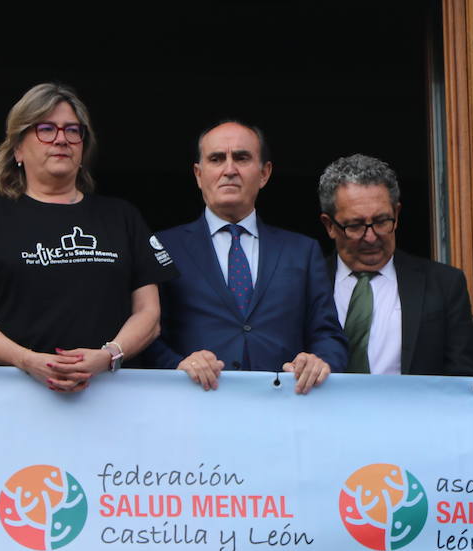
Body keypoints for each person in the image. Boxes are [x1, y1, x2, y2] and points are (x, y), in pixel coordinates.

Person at [0, 82, 177, 393]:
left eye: (72, 130)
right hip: (13, 396)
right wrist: (28, 361)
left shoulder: (122, 217)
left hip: (111, 398)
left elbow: (149, 313)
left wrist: (108, 356)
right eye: (46, 129)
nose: (61, 139)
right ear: (18, 149)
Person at [148, 120, 346, 393]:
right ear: (198, 174)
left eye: (241, 158)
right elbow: (147, 335)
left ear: (264, 173)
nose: (229, 170)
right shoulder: (163, 247)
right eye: (217, 159)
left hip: (285, 408)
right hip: (195, 408)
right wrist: (178, 365)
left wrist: (319, 362)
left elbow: (328, 337)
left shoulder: (302, 251)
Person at [318, 154, 473, 377]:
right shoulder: (304, 285)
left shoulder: (444, 285)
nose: (371, 237)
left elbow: (465, 380)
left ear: (397, 214)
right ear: (329, 226)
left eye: (382, 221)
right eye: (356, 225)